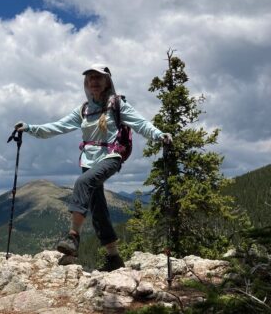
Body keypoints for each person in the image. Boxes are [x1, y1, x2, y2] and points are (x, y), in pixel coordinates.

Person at [15, 64, 172, 272]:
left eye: (98, 77)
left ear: (107, 81)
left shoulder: (117, 104)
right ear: (86, 83)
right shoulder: (84, 110)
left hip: (111, 157)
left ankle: (73, 237)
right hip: (88, 161)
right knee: (98, 210)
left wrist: (160, 135)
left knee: (83, 182)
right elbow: (57, 127)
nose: (94, 81)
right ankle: (113, 257)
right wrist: (29, 128)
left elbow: (141, 124)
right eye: (90, 78)